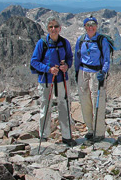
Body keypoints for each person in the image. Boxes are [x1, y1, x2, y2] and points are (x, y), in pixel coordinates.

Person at [30, 16, 77, 147]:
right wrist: (48, 69)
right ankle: (43, 136)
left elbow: (69, 58)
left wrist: (66, 66)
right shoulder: (42, 43)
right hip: (46, 80)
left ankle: (66, 136)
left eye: (56, 26)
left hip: (61, 80)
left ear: (60, 28)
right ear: (47, 29)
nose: (53, 29)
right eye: (51, 27)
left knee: (64, 106)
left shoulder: (64, 42)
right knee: (46, 107)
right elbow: (34, 62)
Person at [75, 16, 110, 142]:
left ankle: (99, 132)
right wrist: (76, 72)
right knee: (85, 102)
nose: (91, 27)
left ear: (96, 26)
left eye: (93, 25)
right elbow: (77, 57)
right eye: (88, 25)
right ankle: (90, 129)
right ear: (85, 27)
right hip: (83, 72)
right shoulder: (81, 40)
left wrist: (103, 71)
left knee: (98, 102)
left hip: (97, 73)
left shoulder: (102, 40)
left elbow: (106, 59)